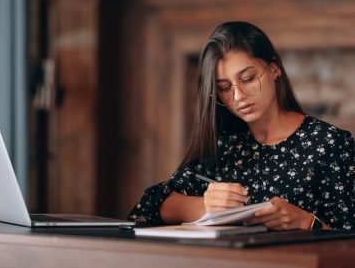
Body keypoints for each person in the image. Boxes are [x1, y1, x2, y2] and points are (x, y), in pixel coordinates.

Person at [128, 21, 355, 230]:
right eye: (225, 88)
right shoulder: (225, 146)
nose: (238, 96)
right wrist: (207, 206)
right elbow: (150, 206)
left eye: (247, 79)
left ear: (275, 69)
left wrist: (307, 222)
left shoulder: (329, 144)